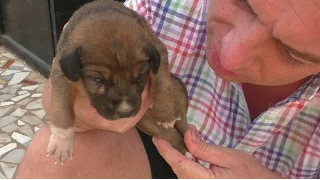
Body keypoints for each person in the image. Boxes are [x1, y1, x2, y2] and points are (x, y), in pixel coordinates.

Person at [15, 0, 320, 179]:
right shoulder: (161, 7)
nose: (230, 56)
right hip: (153, 155)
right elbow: (58, 88)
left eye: (293, 54)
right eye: (244, 2)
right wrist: (72, 116)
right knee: (54, 155)